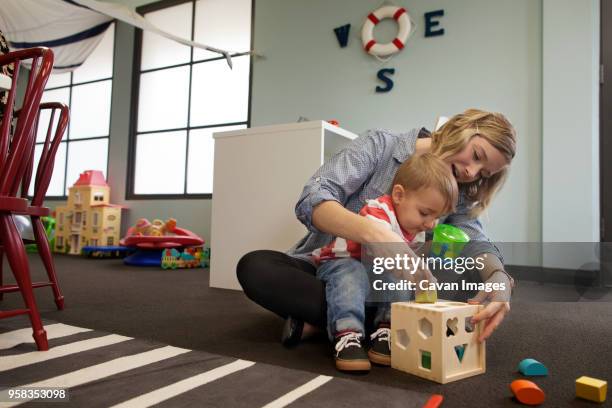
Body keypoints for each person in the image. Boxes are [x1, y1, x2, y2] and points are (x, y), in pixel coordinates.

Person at [237, 108, 517, 348]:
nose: (472, 173)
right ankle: (383, 325)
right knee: (256, 267)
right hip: (335, 268)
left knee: (474, 278)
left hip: (397, 285)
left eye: (484, 173)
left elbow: (475, 240)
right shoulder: (380, 145)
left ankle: (334, 322)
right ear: (462, 128)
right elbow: (313, 198)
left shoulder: (462, 190)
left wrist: (498, 275)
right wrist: (374, 234)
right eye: (477, 155)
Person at [314, 153, 458, 372]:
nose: (431, 224)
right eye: (425, 213)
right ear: (399, 195)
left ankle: (388, 329)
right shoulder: (378, 210)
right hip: (342, 262)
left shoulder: (417, 229)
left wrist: (422, 280)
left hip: (374, 275)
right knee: (354, 275)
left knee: (397, 281)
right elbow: (383, 252)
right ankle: (347, 333)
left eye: (436, 217)